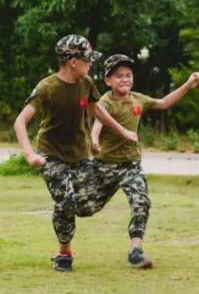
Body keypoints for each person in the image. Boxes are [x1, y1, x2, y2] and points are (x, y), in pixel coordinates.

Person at [12, 35, 137, 272]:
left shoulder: (86, 83)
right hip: (51, 154)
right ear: (71, 61)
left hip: (79, 153)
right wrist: (30, 156)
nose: (90, 64)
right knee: (66, 201)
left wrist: (122, 131)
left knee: (87, 206)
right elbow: (20, 122)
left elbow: (97, 110)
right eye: (86, 59)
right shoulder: (47, 87)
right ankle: (64, 254)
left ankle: (117, 177)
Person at [90, 54, 199, 269]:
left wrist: (188, 85)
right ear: (107, 81)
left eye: (128, 75)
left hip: (131, 165)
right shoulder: (106, 101)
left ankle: (136, 252)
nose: (125, 79)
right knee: (87, 207)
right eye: (118, 76)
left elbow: (163, 103)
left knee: (141, 202)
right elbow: (97, 124)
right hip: (104, 166)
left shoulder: (138, 99)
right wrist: (94, 141)